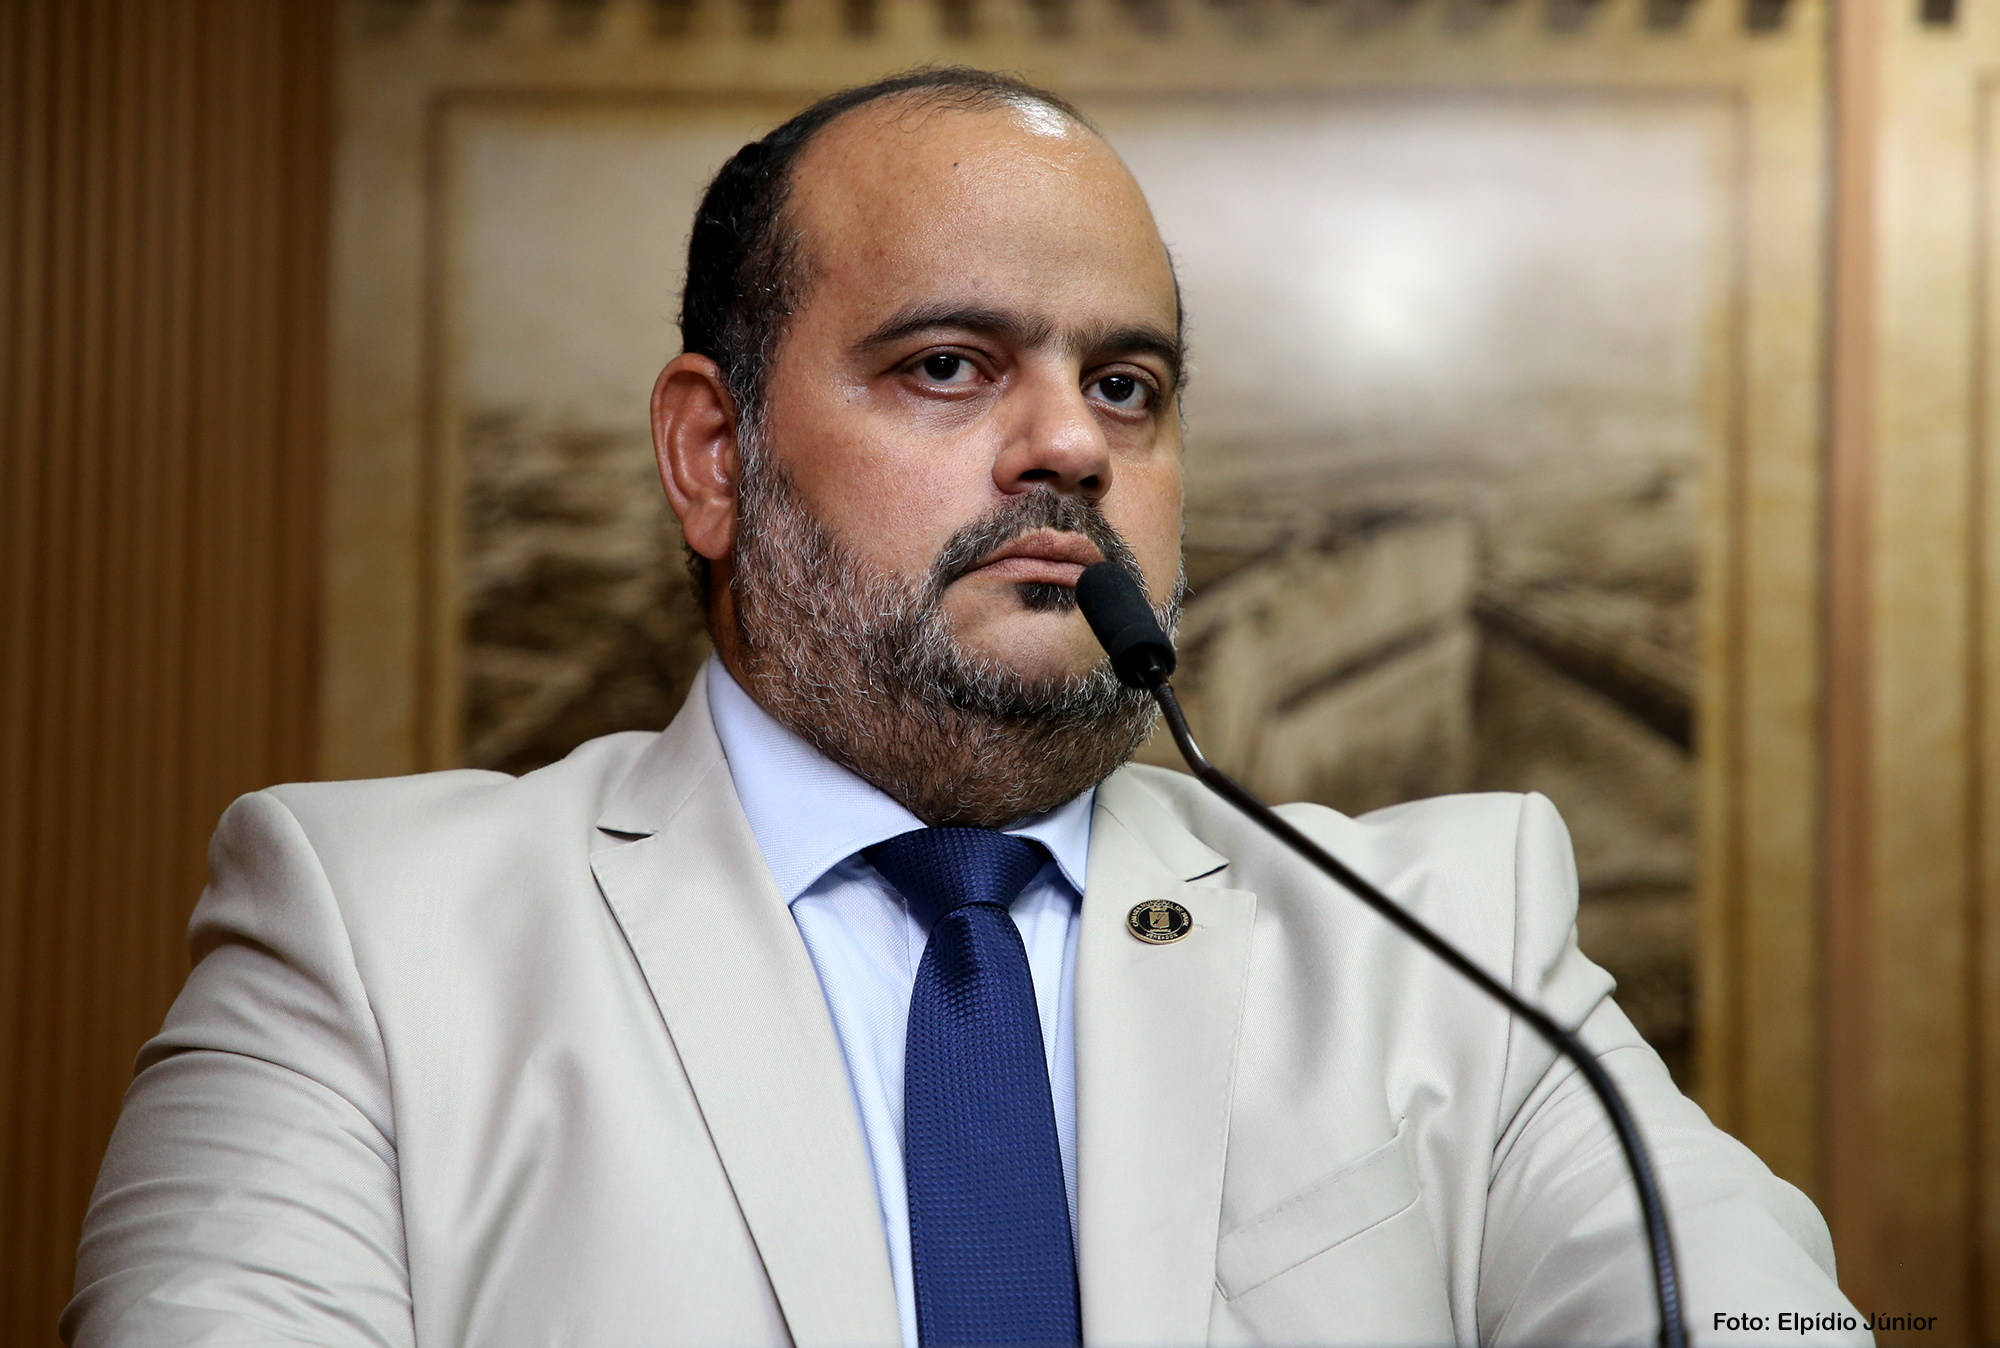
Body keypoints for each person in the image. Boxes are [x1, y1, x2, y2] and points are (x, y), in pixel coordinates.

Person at [65, 68, 1865, 1347]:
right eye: (949, 364)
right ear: (714, 456)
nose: (1073, 442)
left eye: (1129, 384)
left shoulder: (1451, 940)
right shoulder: (367, 939)